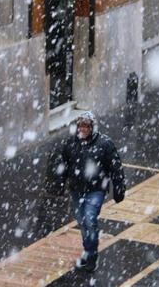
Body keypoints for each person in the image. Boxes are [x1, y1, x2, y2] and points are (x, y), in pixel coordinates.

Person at [45, 111, 126, 271]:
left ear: (92, 127)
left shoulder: (104, 144)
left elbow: (116, 168)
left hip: (95, 190)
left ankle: (92, 254)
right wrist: (58, 185)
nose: (83, 129)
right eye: (81, 125)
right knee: (82, 222)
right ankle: (88, 251)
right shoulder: (71, 143)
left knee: (90, 220)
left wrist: (118, 188)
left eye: (86, 126)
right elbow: (62, 166)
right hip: (77, 189)